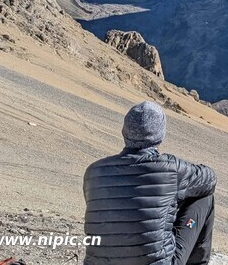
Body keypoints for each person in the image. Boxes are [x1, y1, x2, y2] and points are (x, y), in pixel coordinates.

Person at [83, 101, 217, 265]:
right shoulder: (170, 169)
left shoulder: (93, 171)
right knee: (203, 196)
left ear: (124, 132)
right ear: (160, 134)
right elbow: (210, 179)